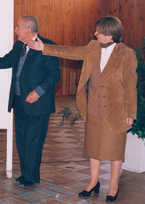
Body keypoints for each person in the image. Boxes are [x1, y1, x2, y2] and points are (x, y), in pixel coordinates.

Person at [27, 16, 137, 202]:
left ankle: (113, 186)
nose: (95, 34)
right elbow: (70, 52)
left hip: (116, 110)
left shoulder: (126, 54)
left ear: (110, 35)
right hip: (93, 106)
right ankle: (93, 182)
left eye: (99, 32)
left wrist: (130, 113)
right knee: (93, 148)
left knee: (114, 151)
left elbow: (130, 86)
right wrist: (44, 48)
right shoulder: (93, 47)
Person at [0, 15, 61, 187]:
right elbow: (6, 61)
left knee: (33, 141)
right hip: (19, 101)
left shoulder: (47, 46)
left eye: (18, 26)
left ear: (28, 30)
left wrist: (38, 92)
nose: (15, 29)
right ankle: (26, 174)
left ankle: (31, 177)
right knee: (22, 140)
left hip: (38, 104)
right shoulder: (19, 45)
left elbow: (55, 74)